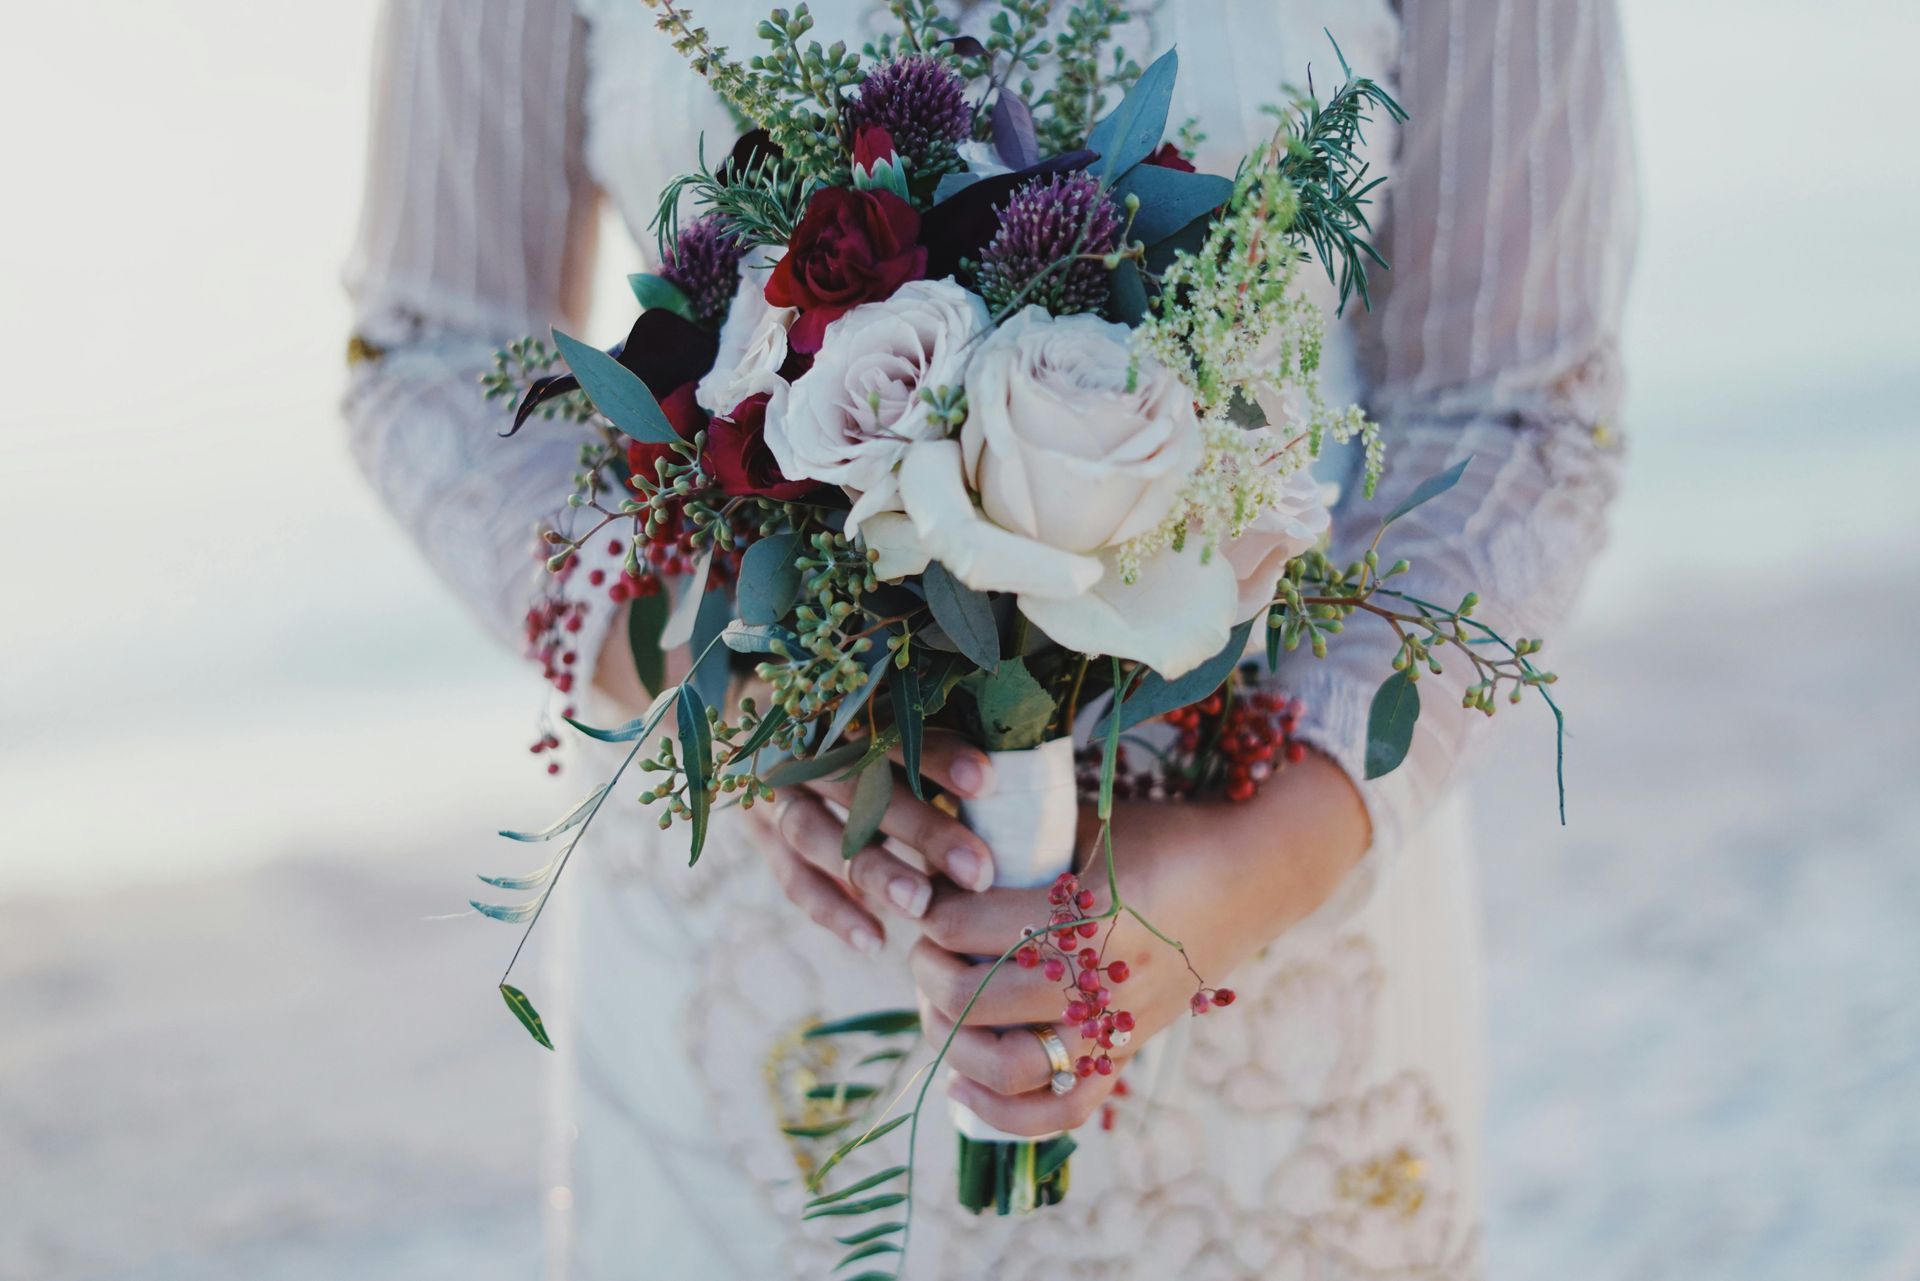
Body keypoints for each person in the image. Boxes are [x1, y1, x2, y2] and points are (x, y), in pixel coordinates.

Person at [344, 1, 1635, 1275]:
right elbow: (434, 352)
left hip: (1273, 923)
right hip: (758, 957)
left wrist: (1254, 859)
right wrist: (730, 699)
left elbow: (1511, 417)